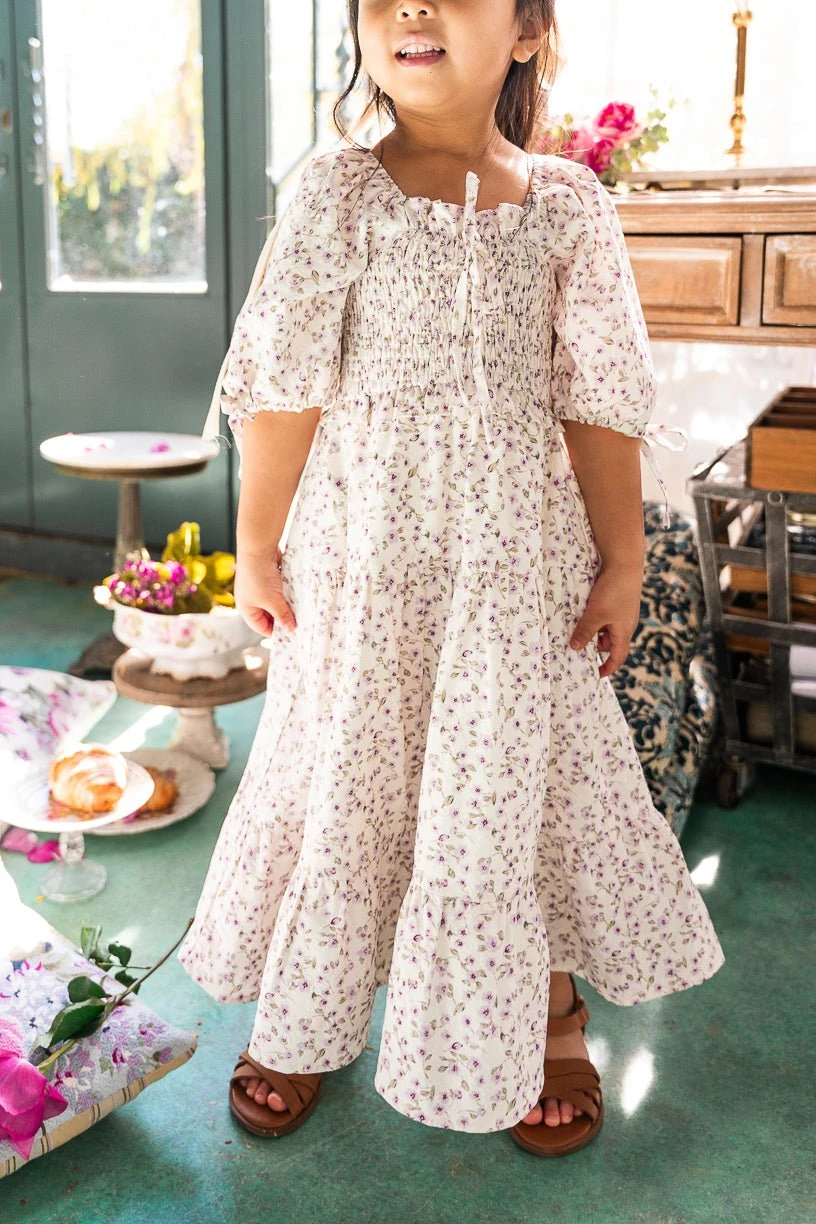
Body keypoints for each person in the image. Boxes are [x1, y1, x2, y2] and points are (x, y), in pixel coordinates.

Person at [178, 0, 724, 1157]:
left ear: (525, 30)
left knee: (511, 783)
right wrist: (257, 542)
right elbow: (283, 384)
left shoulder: (569, 204)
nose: (412, 8)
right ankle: (310, 1008)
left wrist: (624, 559)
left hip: (516, 581)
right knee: (349, 773)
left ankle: (547, 1008)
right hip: (365, 570)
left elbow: (598, 399)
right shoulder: (336, 190)